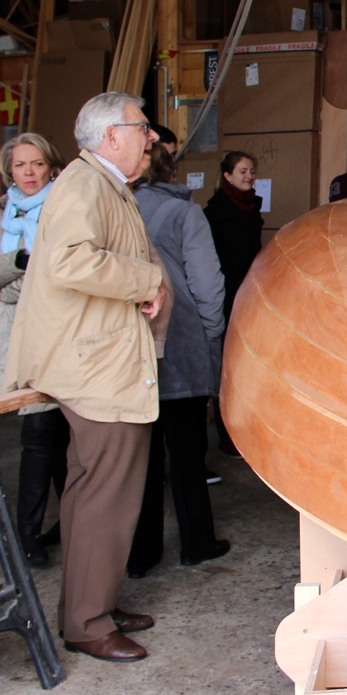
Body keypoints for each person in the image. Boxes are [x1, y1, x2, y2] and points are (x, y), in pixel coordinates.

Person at [3, 92, 168, 664]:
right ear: (110, 136)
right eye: (142, 128)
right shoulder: (84, 183)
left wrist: (142, 287)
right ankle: (88, 623)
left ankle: (89, 603)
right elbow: (70, 261)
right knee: (106, 494)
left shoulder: (100, 183)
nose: (150, 137)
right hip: (93, 366)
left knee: (88, 492)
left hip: (94, 359)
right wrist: (147, 281)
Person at [127, 143, 231, 578]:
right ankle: (197, 543)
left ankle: (142, 554)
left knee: (140, 458)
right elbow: (207, 283)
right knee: (188, 451)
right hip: (182, 345)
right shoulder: (185, 214)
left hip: (131, 348)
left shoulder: (119, 209)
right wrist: (211, 337)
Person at [0, 133, 69, 567]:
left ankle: (70, 525)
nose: (28, 173)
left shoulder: (63, 207)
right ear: (8, 171)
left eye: (36, 164)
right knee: (36, 437)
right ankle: (27, 535)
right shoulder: (3, 214)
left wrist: (8, 266)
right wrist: (20, 261)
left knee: (67, 435)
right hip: (20, 334)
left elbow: (62, 271)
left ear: (51, 166)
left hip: (60, 330)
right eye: (19, 165)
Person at [203, 151, 263, 459]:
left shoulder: (251, 208)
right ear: (227, 175)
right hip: (225, 298)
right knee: (227, 368)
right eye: (243, 170)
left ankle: (244, 431)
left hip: (247, 296)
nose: (249, 176)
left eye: (252, 171)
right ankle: (228, 435)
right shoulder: (217, 212)